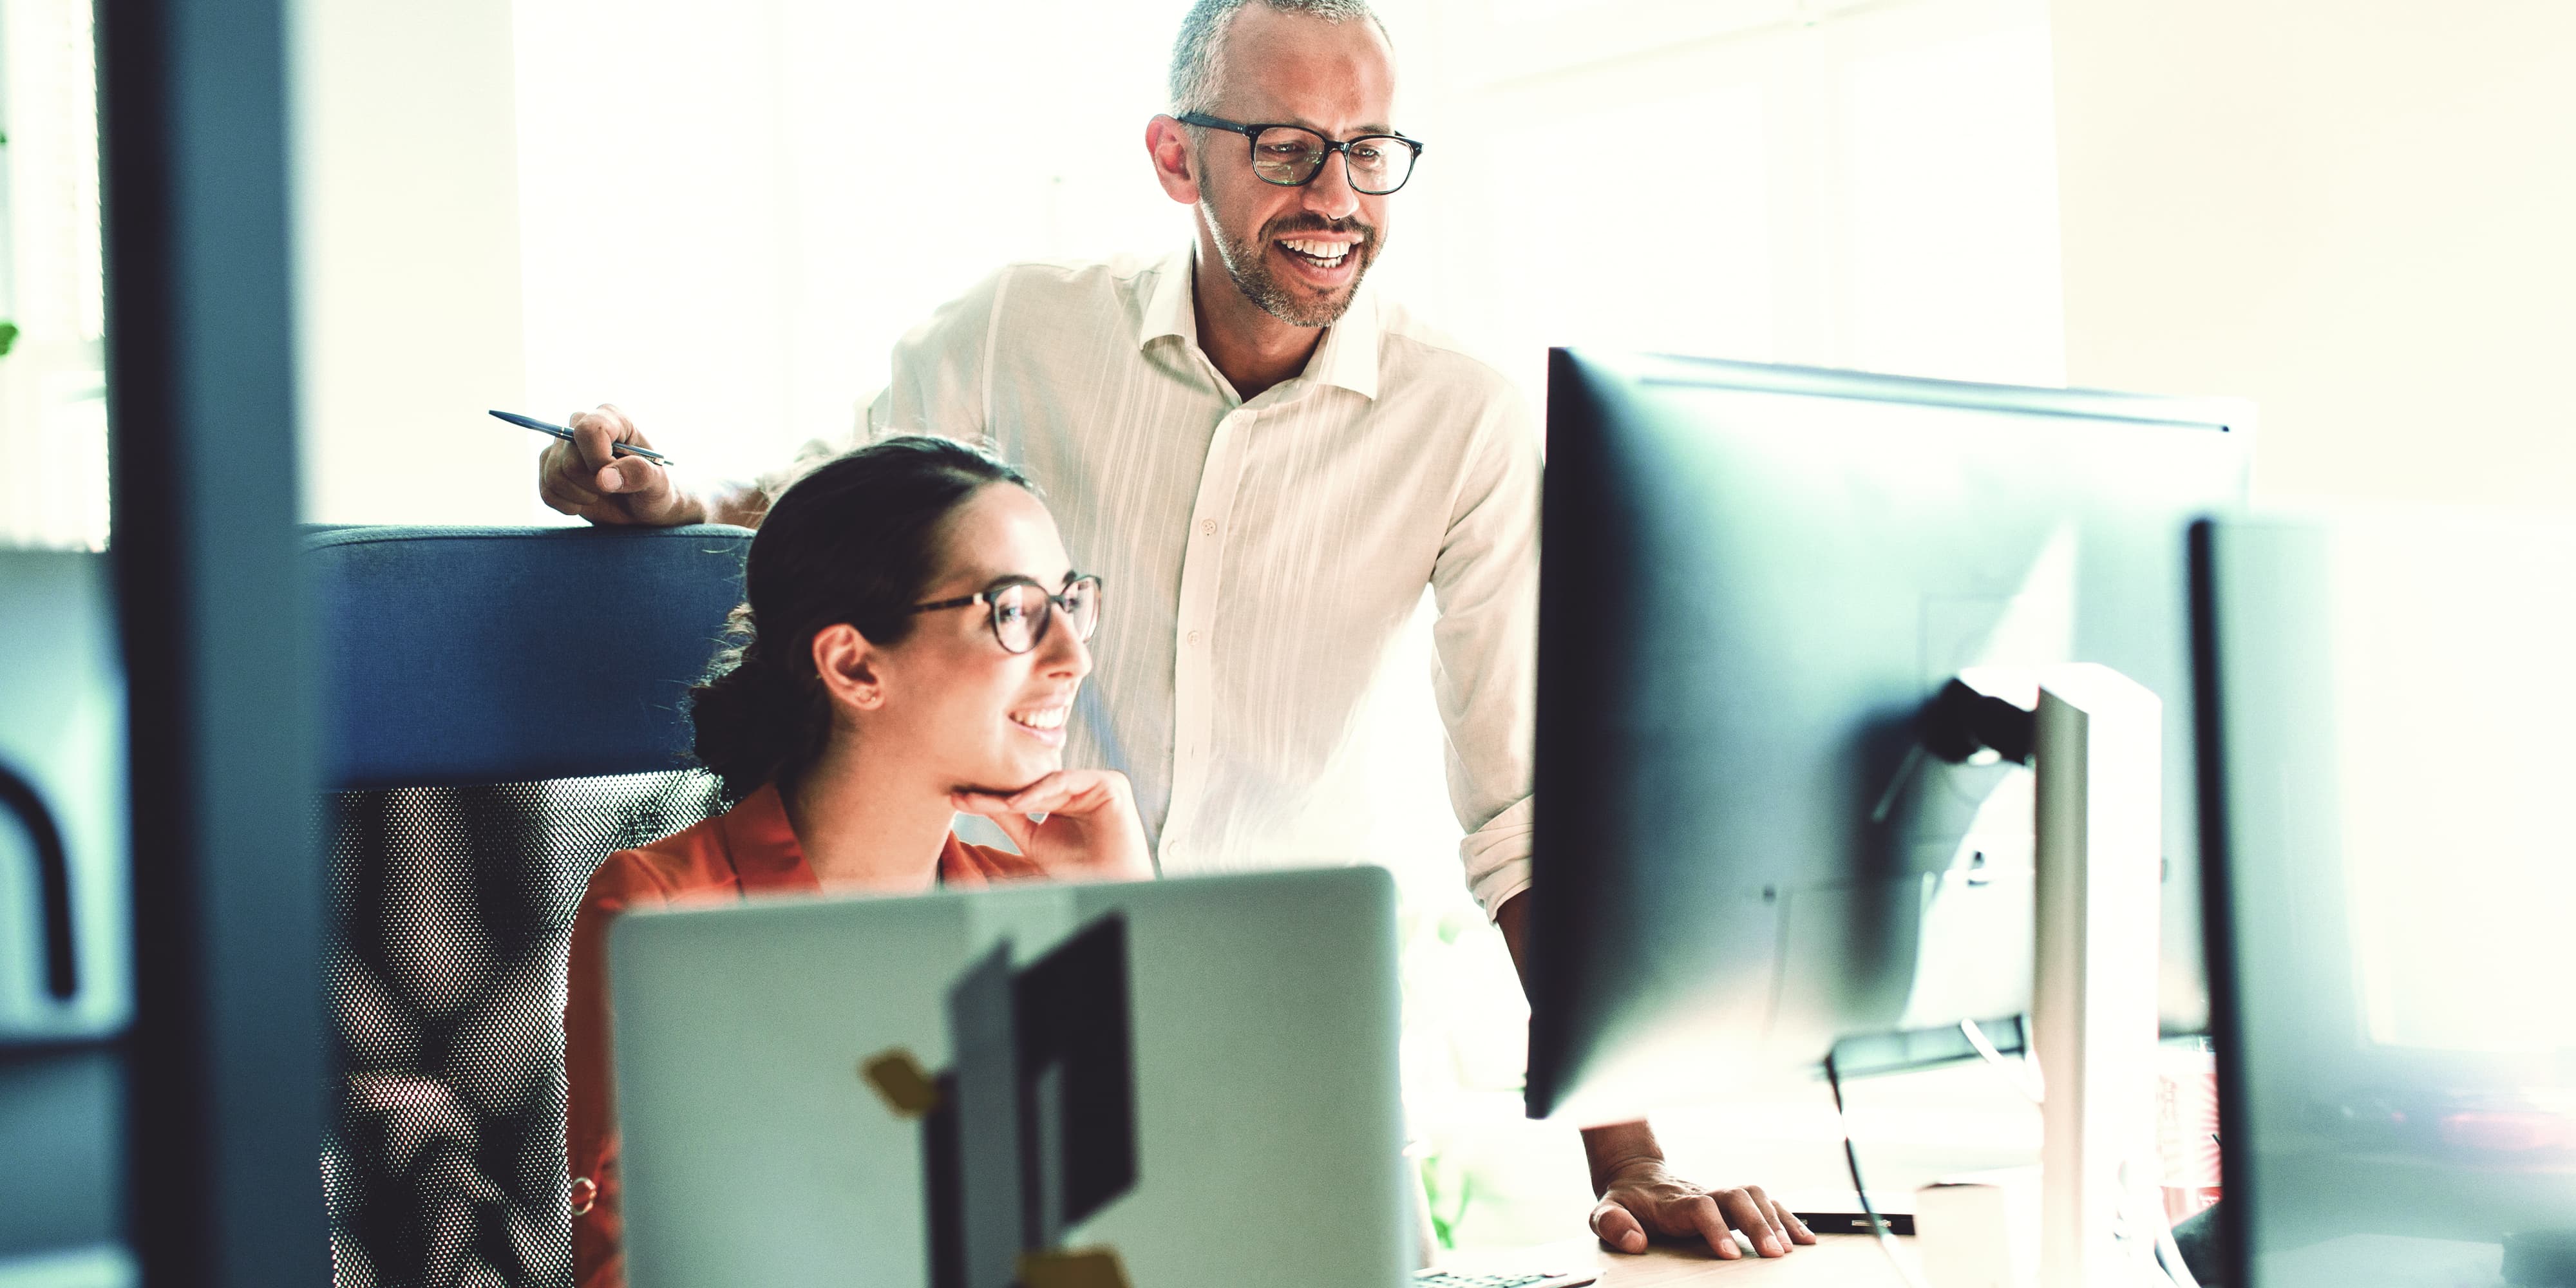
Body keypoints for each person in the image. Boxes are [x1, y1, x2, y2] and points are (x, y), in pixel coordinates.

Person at [538, 0, 1816, 1262]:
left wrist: (1628, 1150)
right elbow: (846, 509)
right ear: (1174, 155)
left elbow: (1522, 812)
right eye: (1282, 144)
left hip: (1283, 1055)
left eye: (1367, 149)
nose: (1335, 194)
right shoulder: (1018, 332)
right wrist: (675, 498)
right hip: (991, 1002)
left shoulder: (1461, 419)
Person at [562, 437, 1152, 1288]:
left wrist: (1117, 918)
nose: (1075, 657)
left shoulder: (1030, 904)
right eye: (1017, 611)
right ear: (854, 664)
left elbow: (1138, 1234)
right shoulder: (673, 913)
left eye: (1071, 603)